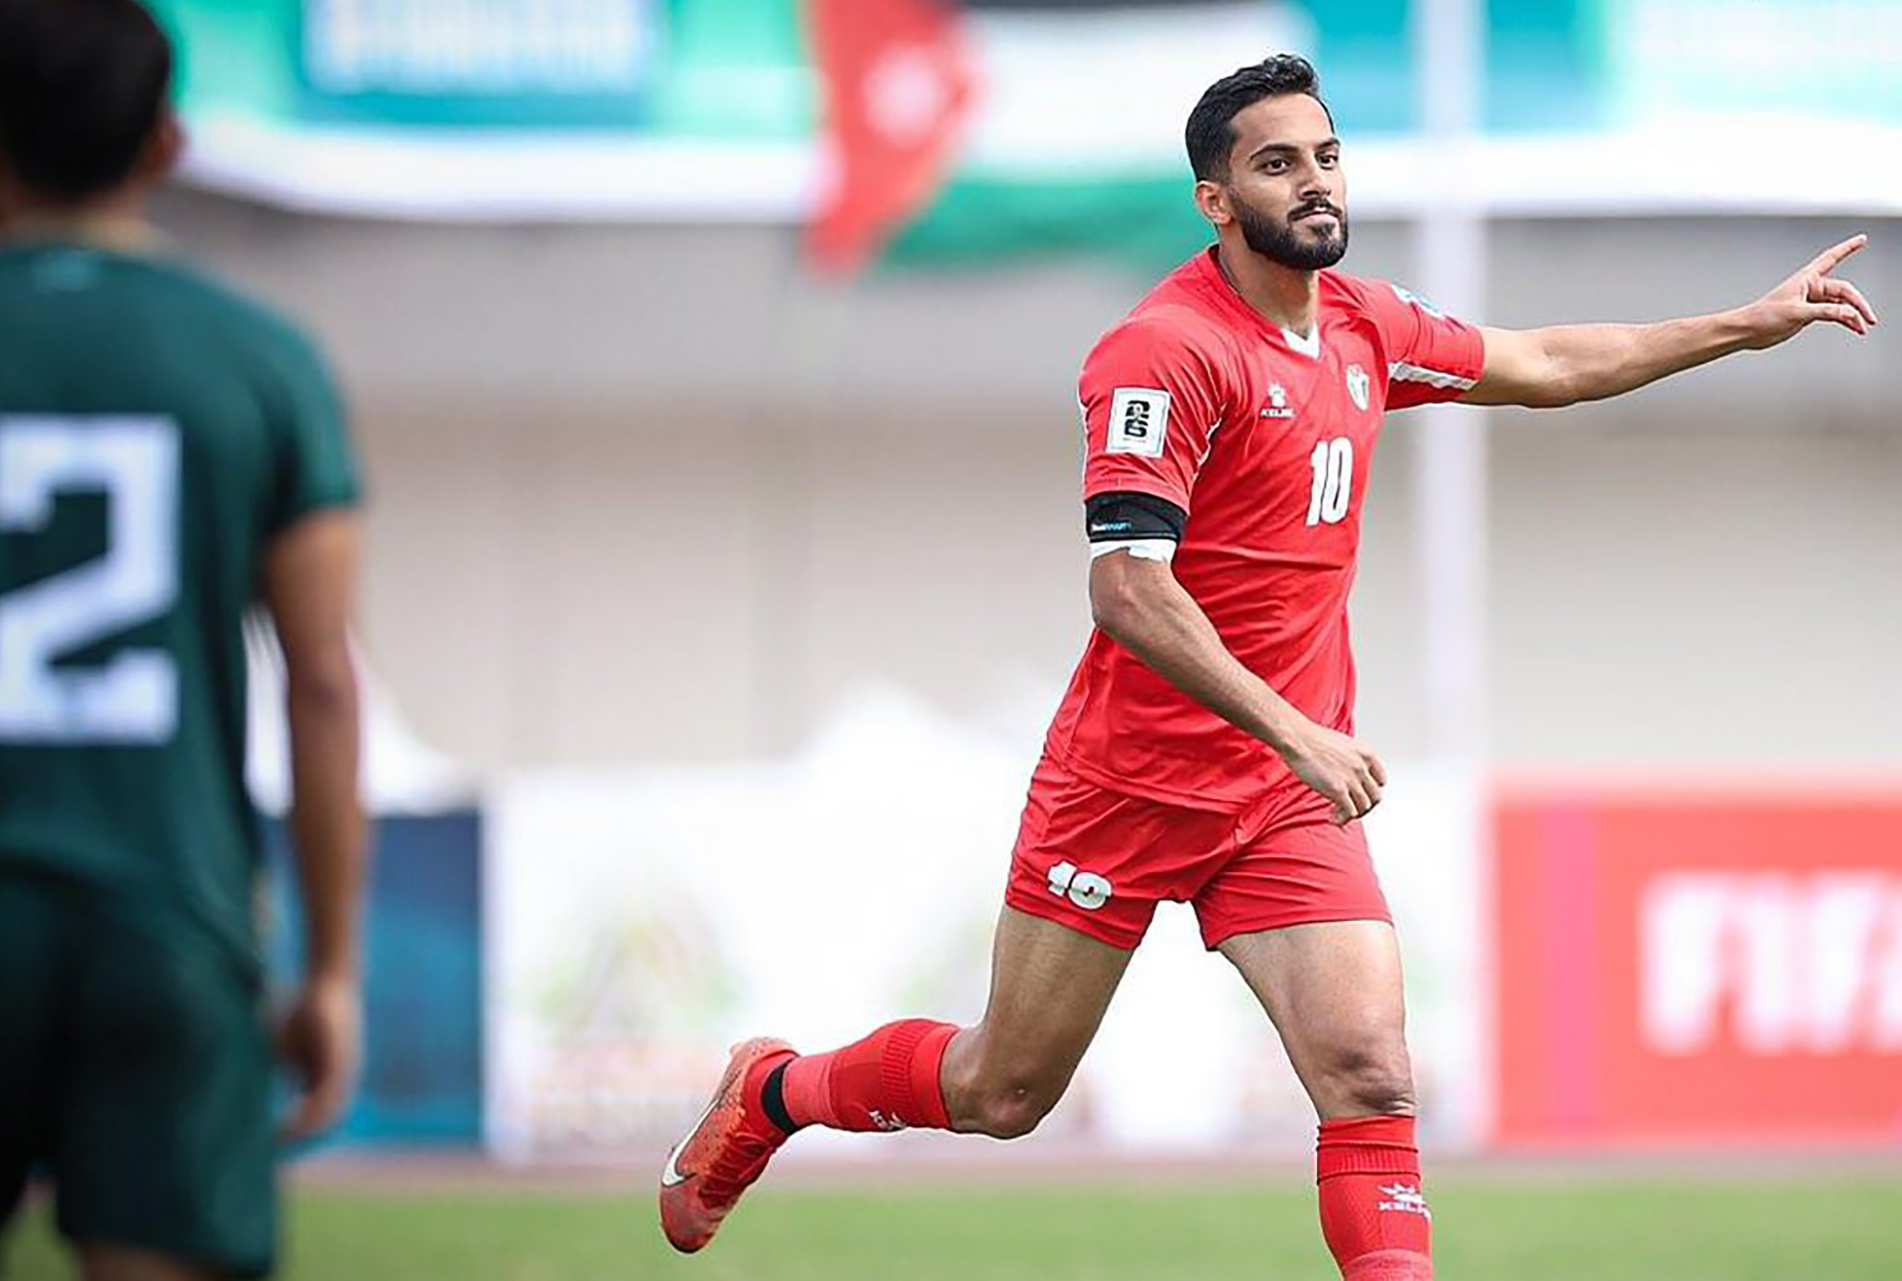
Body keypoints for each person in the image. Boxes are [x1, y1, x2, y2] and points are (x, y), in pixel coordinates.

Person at [659, 54, 1878, 1277]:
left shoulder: (1364, 325)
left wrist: (1743, 324)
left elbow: (1547, 365)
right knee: (1003, 1091)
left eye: (1327, 157)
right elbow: (1128, 587)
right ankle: (773, 1092)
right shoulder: (1164, 351)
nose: (1315, 182)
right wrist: (1299, 731)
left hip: (1282, 800)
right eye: (1279, 163)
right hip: (1130, 783)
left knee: (1370, 1075)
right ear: (1216, 199)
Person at [0, 1, 369, 1277]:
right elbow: (321, 679)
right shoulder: (261, 360)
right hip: (167, 913)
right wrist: (330, 968)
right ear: (167, 142)